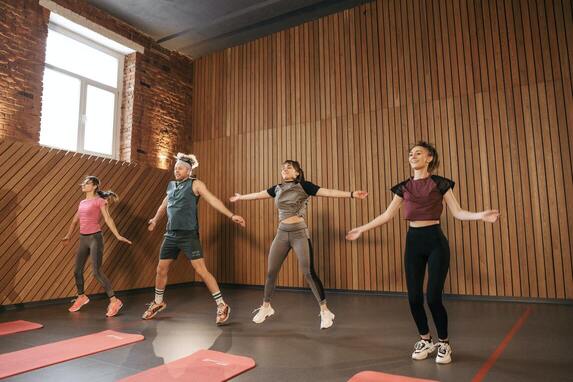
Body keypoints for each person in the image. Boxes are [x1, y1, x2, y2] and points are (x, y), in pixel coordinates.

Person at [346, 141, 500, 364]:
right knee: (414, 298)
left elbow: (457, 213)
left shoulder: (440, 183)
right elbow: (386, 215)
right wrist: (362, 228)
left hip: (435, 240)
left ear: (429, 158)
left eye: (418, 153)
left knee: (434, 297)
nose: (413, 156)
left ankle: (444, 343)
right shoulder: (403, 187)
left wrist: (480, 216)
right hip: (413, 242)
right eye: (410, 154)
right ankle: (426, 339)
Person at [231, 160, 367, 329]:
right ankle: (266, 307)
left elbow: (329, 192)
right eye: (282, 168)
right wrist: (241, 197)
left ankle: (325, 311)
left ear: (297, 173)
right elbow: (259, 194)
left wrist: (352, 194)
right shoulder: (277, 189)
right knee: (271, 272)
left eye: (289, 167)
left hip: (299, 233)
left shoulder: (305, 186)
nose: (284, 170)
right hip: (281, 233)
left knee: (308, 272)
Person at [143, 153, 246, 325]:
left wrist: (231, 215)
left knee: (201, 270)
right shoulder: (171, 185)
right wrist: (155, 219)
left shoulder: (195, 184)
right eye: (175, 168)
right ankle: (158, 302)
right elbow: (163, 205)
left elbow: (212, 200)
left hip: (188, 234)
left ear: (189, 170)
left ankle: (222, 305)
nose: (176, 171)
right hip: (170, 234)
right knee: (161, 269)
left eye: (180, 168)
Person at [62, 176, 132, 317]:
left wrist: (117, 235)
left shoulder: (100, 201)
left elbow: (107, 218)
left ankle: (114, 301)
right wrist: (68, 235)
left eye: (87, 183)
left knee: (96, 272)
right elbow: (75, 220)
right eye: (84, 183)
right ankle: (81, 297)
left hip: (95, 238)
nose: (83, 184)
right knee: (77, 271)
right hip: (83, 238)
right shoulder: (82, 202)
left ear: (94, 186)